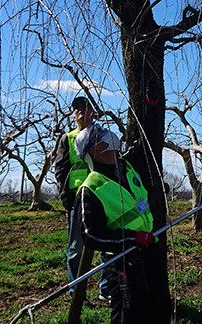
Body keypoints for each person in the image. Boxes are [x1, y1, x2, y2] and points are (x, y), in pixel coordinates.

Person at [73, 122, 160, 324]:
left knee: (149, 310)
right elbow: (90, 235)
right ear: (94, 150)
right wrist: (132, 238)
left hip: (148, 251)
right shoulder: (91, 188)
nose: (108, 135)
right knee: (126, 316)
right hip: (122, 261)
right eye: (101, 135)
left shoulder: (127, 168)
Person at [53, 96, 114, 301]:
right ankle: (76, 292)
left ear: (93, 112)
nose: (80, 111)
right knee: (76, 249)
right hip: (78, 200)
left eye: (84, 107)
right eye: (76, 108)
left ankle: (106, 289)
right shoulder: (66, 138)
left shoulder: (101, 134)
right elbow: (61, 171)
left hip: (102, 196)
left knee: (108, 246)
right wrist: (66, 201)